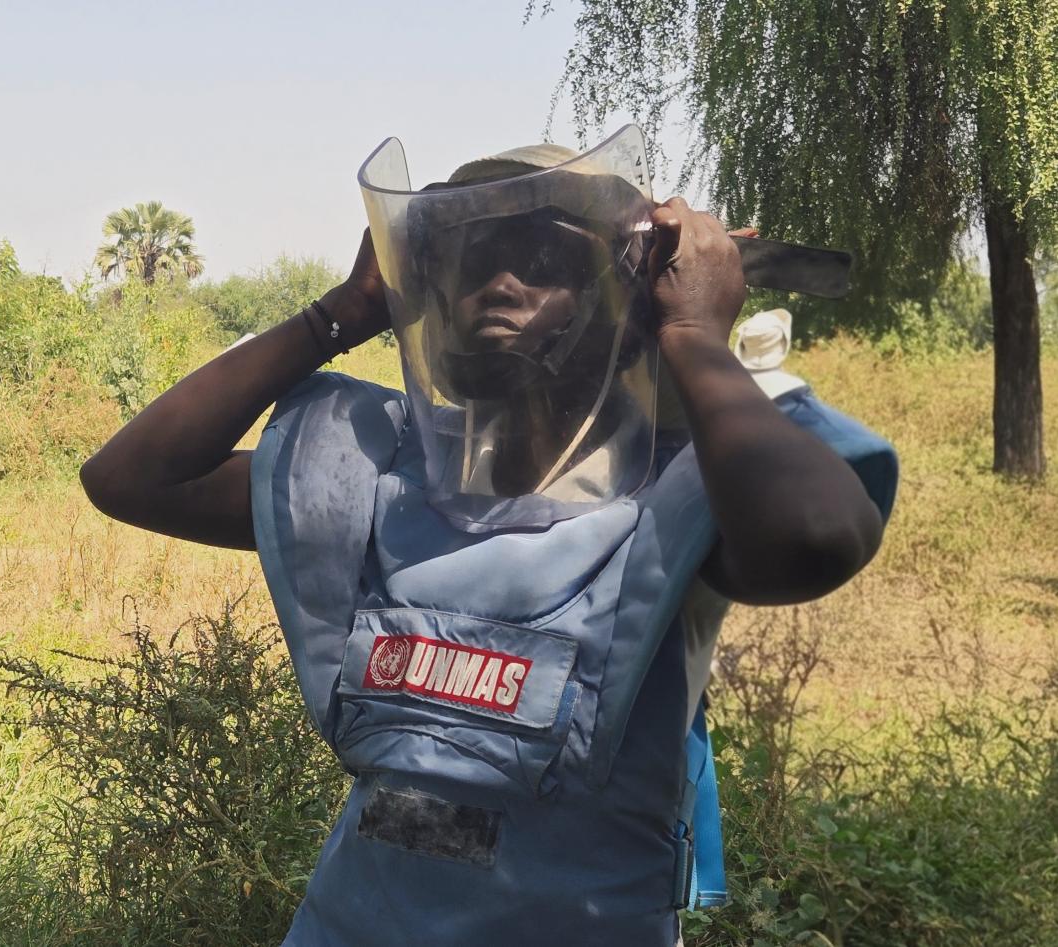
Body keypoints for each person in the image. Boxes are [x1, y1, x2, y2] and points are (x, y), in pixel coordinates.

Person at [80, 130, 898, 946]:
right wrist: (349, 308)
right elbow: (132, 477)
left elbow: (818, 535)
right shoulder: (378, 475)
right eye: (473, 257)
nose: (501, 282)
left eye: (545, 258)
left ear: (627, 297)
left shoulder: (678, 493)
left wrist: (693, 335)